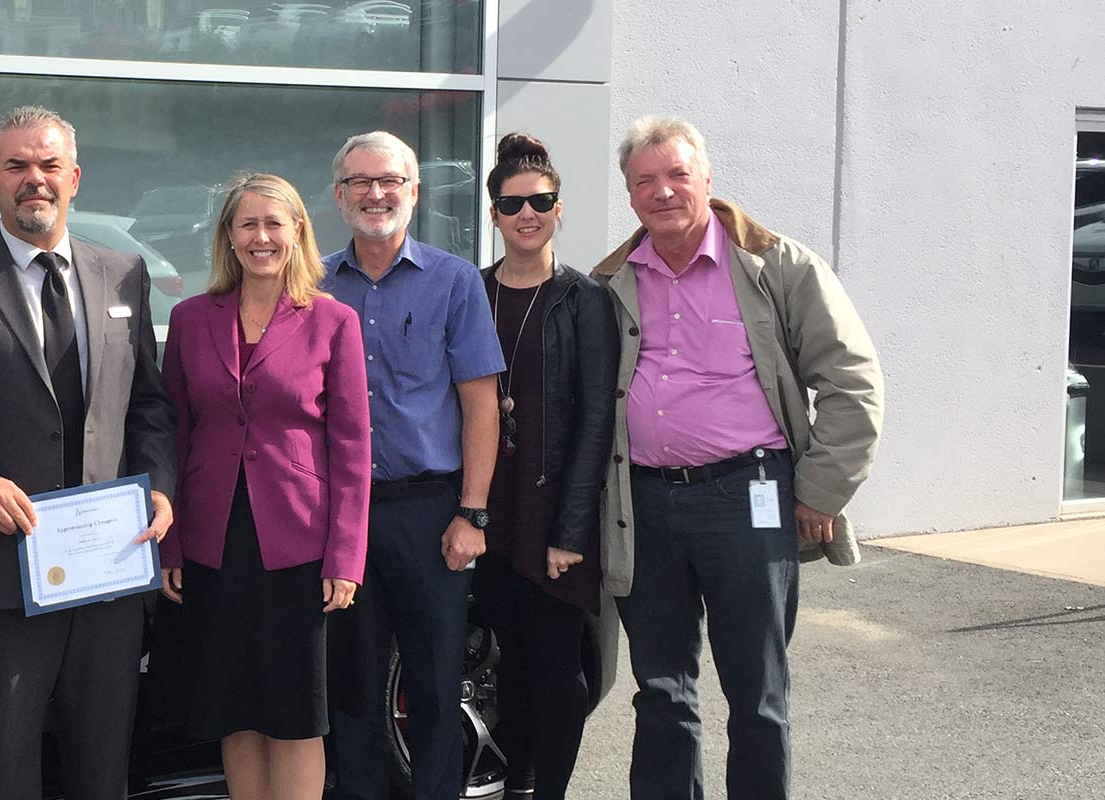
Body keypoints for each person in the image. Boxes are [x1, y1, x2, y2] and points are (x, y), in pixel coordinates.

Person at [0, 105, 177, 800]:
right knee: (2, 765)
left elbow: (149, 406)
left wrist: (159, 485)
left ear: (74, 178)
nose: (33, 180)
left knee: (103, 765)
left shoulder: (124, 274)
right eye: (17, 166)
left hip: (107, 568)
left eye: (48, 166)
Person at [593, 116, 884, 800]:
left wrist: (820, 491)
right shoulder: (611, 282)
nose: (662, 191)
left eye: (677, 175)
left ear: (707, 180)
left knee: (757, 693)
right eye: (645, 181)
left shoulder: (776, 264)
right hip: (645, 504)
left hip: (747, 496)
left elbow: (853, 381)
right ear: (630, 194)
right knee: (661, 689)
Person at [157, 172, 371, 800]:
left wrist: (346, 557)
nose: (260, 237)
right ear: (228, 236)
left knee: (295, 715)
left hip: (298, 544)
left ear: (297, 231)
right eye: (246, 224)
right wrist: (170, 547)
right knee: (234, 707)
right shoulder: (191, 318)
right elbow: (174, 434)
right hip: (212, 539)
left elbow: (354, 448)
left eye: (273, 224)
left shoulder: (333, 321)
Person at [322, 131, 505, 800]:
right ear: (339, 197)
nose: (376, 193)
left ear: (414, 192)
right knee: (354, 685)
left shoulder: (454, 282)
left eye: (390, 181)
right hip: (341, 514)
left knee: (432, 684)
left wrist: (472, 513)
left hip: (430, 514)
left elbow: (481, 407)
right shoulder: (309, 283)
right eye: (361, 182)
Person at [474, 133, 617, 799]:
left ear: (559, 209)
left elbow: (595, 419)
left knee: (558, 663)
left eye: (541, 201)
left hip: (555, 508)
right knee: (511, 657)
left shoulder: (584, 300)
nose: (526, 213)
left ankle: (548, 790)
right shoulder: (472, 291)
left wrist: (571, 527)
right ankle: (518, 782)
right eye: (512, 203)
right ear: (495, 212)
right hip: (487, 506)